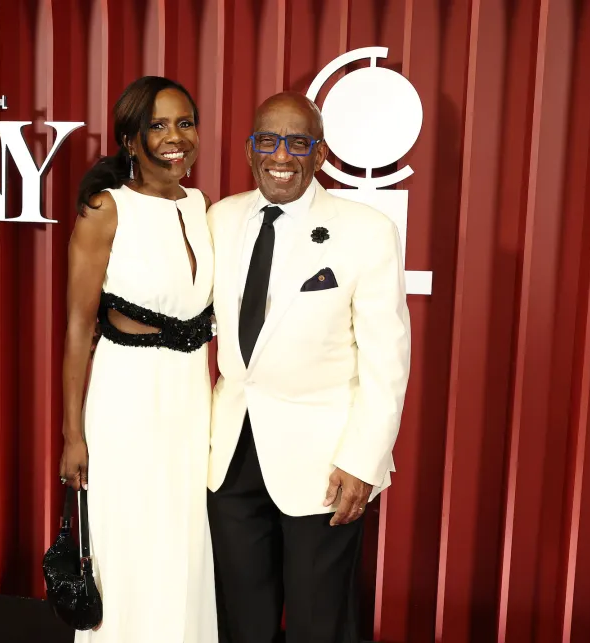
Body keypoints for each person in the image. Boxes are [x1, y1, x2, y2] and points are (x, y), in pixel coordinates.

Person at [206, 92, 412, 643]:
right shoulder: (221, 218)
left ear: (319, 155)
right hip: (230, 454)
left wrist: (363, 461)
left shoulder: (367, 230)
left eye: (298, 143)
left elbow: (387, 359)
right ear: (250, 150)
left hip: (326, 464)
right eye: (268, 141)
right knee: (241, 621)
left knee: (320, 624)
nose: (281, 156)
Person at [58, 76, 218, 643]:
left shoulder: (199, 205)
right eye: (158, 125)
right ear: (130, 139)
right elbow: (79, 327)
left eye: (185, 123)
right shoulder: (106, 209)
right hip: (127, 396)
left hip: (190, 397)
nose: (176, 137)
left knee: (182, 545)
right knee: (129, 544)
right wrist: (72, 435)